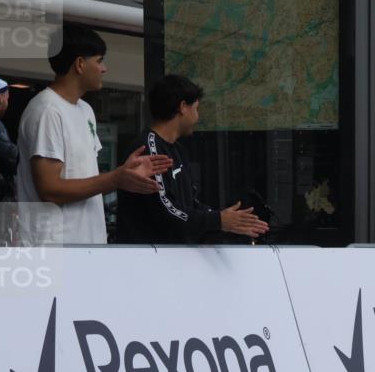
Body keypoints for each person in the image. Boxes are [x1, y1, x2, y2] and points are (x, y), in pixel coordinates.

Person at [16, 24, 172, 245]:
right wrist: (117, 178)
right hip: (53, 248)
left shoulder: (85, 110)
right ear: (80, 64)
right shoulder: (46, 110)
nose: (104, 68)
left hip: (88, 244)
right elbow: (49, 190)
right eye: (99, 60)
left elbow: (86, 175)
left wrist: (124, 175)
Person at [117, 75, 269, 244]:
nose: (198, 117)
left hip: (175, 259)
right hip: (146, 260)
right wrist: (218, 220)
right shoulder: (147, 149)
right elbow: (167, 210)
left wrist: (227, 220)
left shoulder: (177, 149)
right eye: (196, 108)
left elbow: (189, 205)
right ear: (183, 107)